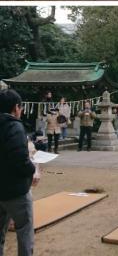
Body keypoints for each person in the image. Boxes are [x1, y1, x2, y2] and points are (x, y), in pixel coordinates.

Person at [1, 89, 40, 256]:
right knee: (24, 232)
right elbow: (20, 159)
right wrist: (33, 169)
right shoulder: (14, 126)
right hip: (15, 190)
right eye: (20, 107)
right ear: (16, 107)